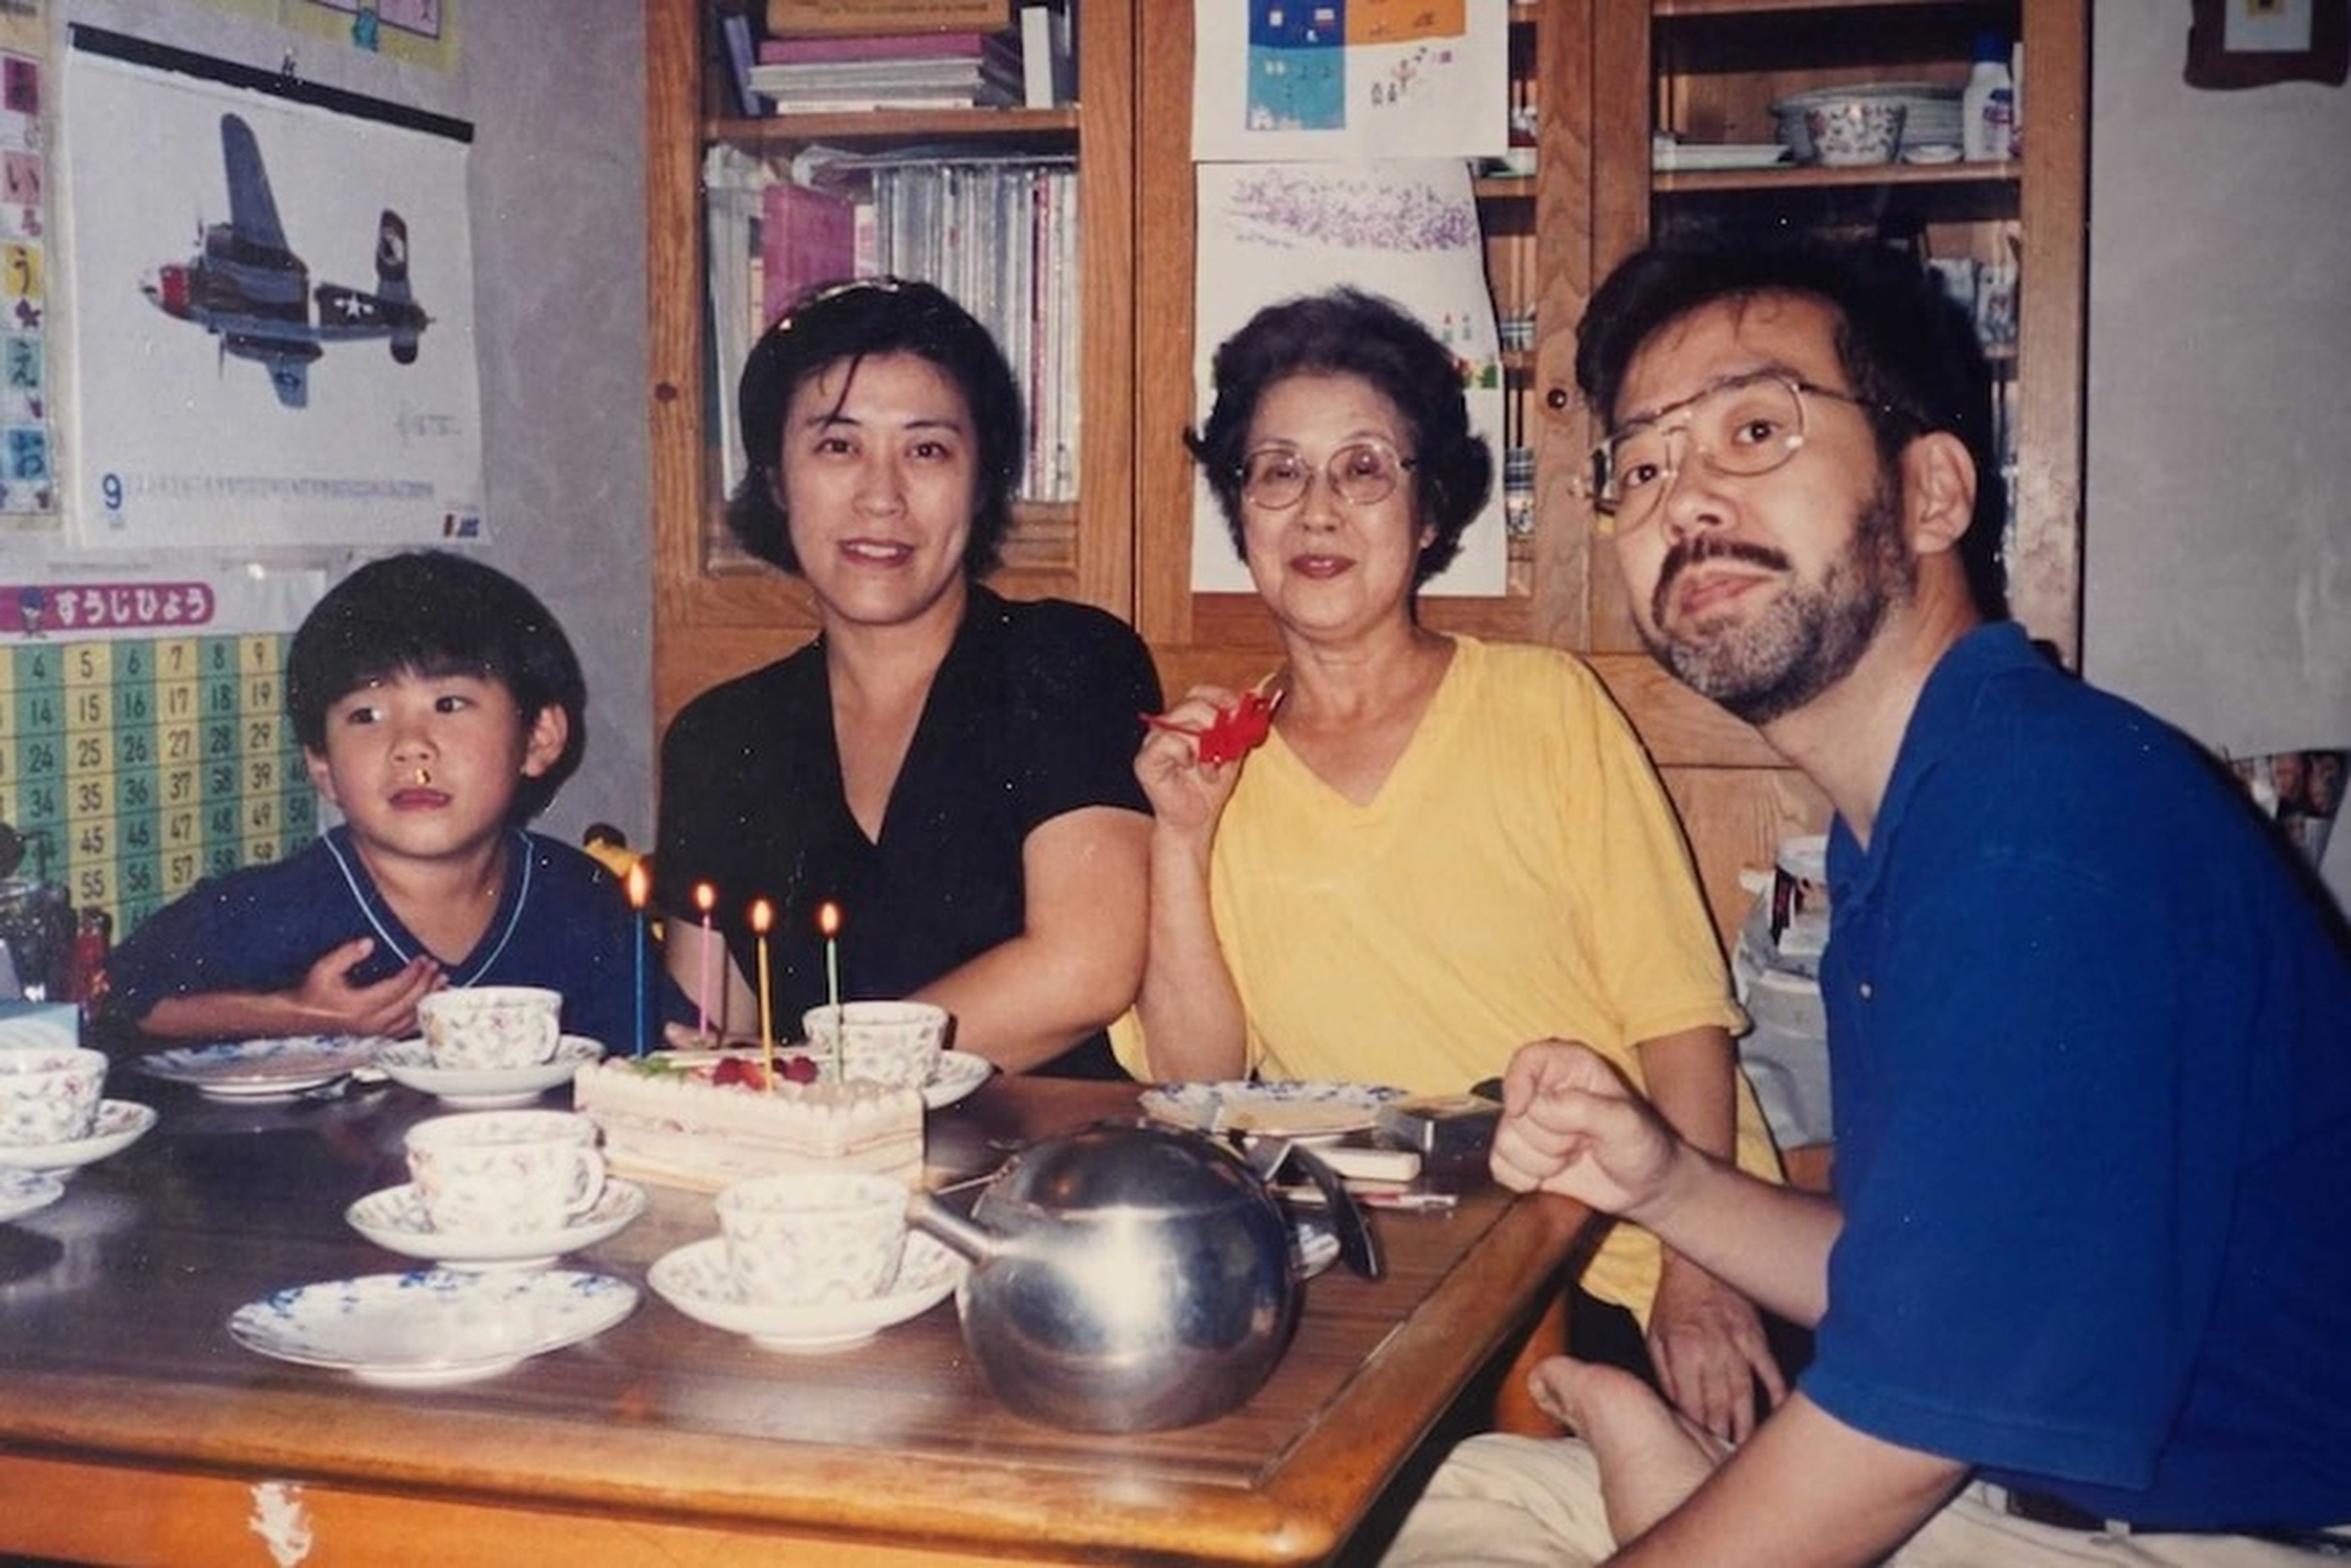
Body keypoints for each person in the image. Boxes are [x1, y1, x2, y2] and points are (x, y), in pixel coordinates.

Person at [1380, 242, 2351, 1565]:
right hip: (2028, 1492)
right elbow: (1922, 1283)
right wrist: (1664, 1181)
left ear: (1934, 488)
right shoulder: (1922, 813)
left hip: (2216, 1533)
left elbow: (1900, 1437)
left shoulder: (2046, 825)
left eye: (1756, 428)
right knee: (1448, 1504)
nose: (1683, 500)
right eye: (1644, 466)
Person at [1117, 287, 1793, 1441]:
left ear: (1428, 511)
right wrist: (1179, 836)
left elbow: (1677, 1018)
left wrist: (1700, 1271)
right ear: (1240, 514)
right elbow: (1201, 1076)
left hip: (1623, 1268)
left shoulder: (1541, 705)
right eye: (1276, 471)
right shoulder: (1211, 764)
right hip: (1383, 1296)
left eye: (1364, 469)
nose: (1317, 509)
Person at [654, 278, 1159, 1079]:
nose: (882, 496)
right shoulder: (721, 735)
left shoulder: (1067, 660)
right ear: (777, 479)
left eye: (927, 450)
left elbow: (1084, 970)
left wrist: (818, 1074)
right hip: (817, 1182)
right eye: (838, 446)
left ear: (982, 478)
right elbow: (710, 1022)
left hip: (1046, 1175)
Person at [107, 551, 687, 1053]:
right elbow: (116, 995)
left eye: (450, 704)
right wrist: (294, 1011)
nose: (410, 745)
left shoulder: (575, 896)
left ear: (537, 738)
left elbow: (657, 1041)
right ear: (323, 767)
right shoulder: (280, 904)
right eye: (367, 715)